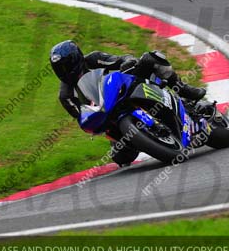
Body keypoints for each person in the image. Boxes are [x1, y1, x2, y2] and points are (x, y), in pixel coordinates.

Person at [50, 39, 206, 166]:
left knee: (150, 59)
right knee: (120, 158)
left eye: (66, 65)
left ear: (76, 57)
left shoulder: (92, 59)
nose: (64, 71)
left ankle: (184, 89)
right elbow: (80, 115)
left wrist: (127, 62)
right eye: (59, 69)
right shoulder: (66, 95)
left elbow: (118, 60)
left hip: (121, 90)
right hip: (107, 115)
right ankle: (145, 139)